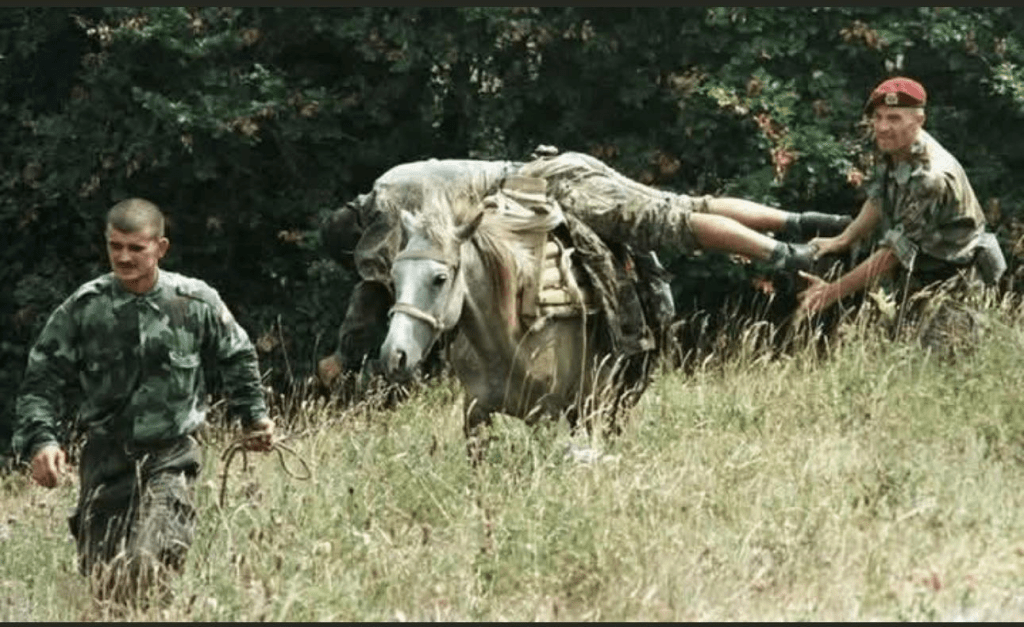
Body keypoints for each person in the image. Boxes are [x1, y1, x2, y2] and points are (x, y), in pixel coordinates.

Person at [317, 149, 851, 386]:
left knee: (672, 224)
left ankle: (793, 257)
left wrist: (344, 355)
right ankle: (811, 222)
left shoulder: (388, 210)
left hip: (558, 185)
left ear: (356, 235)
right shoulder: (395, 181)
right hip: (556, 170)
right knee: (688, 205)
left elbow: (371, 292)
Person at [11, 198, 276, 607]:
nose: (124, 257)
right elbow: (41, 379)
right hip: (105, 462)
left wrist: (254, 417)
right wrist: (41, 441)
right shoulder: (85, 308)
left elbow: (237, 354)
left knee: (147, 563)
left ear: (161, 248)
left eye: (136, 248)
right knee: (107, 588)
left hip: (171, 457)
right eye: (115, 246)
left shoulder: (194, 302)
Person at [796, 76, 1006, 353]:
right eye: (878, 116)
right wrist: (843, 240)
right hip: (919, 277)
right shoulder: (896, 147)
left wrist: (830, 293)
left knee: (943, 372)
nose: (882, 127)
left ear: (918, 120)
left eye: (894, 118)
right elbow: (879, 198)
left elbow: (892, 254)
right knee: (903, 359)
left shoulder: (931, 177)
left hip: (956, 285)